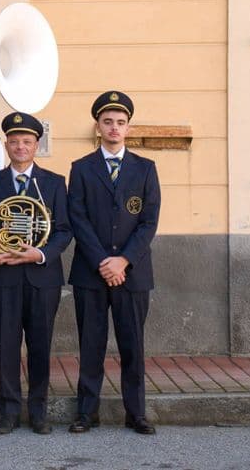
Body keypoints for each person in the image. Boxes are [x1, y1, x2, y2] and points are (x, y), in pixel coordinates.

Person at [67, 91, 161, 436]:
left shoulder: (145, 169)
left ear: (128, 127)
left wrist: (122, 261)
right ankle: (86, 412)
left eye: (121, 122)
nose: (114, 128)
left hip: (132, 273)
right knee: (90, 344)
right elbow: (77, 217)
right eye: (108, 121)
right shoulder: (81, 169)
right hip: (91, 273)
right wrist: (103, 261)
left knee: (132, 345)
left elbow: (148, 222)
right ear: (98, 126)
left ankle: (136, 412)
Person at [0, 112, 72, 434]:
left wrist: (40, 252)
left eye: (26, 142)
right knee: (6, 345)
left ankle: (39, 410)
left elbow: (63, 230)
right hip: (3, 278)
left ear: (36, 145)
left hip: (42, 278)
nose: (19, 147)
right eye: (13, 141)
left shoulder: (55, 183)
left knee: (41, 345)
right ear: (8, 145)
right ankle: (9, 410)